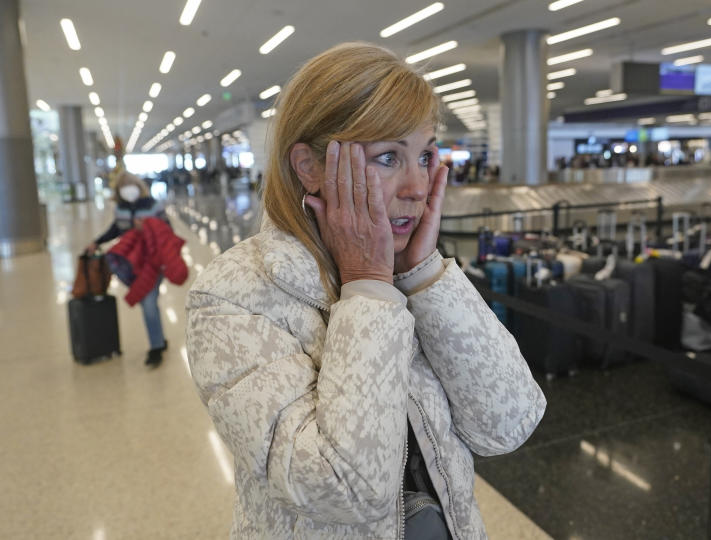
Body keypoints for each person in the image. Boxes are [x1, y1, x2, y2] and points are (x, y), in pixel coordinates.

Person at [185, 43, 546, 539]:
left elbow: (509, 423)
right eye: (387, 157)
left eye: (423, 155)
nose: (417, 186)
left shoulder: (414, 271)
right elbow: (345, 490)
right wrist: (367, 288)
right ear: (309, 167)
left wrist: (422, 274)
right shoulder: (234, 295)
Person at [87, 173, 168, 365]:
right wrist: (96, 242)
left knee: (148, 303)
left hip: (154, 262)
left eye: (130, 184)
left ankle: (156, 349)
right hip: (132, 265)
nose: (128, 188)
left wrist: (148, 228)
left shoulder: (152, 205)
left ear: (138, 186)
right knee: (149, 303)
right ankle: (160, 339)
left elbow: (167, 231)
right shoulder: (120, 209)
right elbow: (115, 229)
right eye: (123, 186)